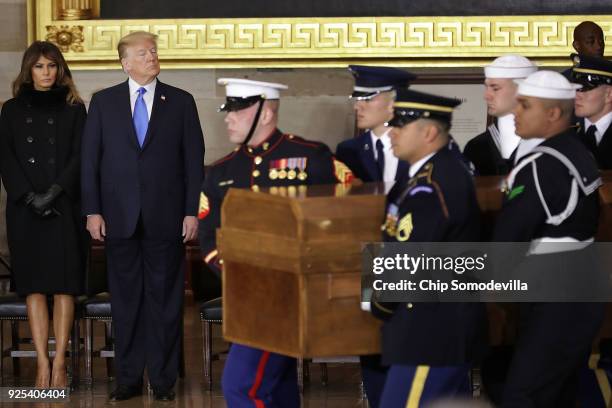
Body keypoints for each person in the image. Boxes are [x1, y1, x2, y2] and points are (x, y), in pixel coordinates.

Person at [198, 78, 353, 407]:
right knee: (277, 388)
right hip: (248, 295)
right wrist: (238, 273)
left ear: (265, 113)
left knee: (242, 386)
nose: (228, 118)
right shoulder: (222, 171)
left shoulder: (311, 157)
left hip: (296, 294)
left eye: (237, 112)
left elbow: (344, 217)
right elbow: (209, 232)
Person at [81, 31, 204, 401]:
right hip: (118, 218)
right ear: (125, 63)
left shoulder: (181, 102)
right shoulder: (103, 102)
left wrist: (190, 212)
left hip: (166, 219)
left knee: (166, 302)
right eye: (142, 53)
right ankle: (129, 379)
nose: (151, 57)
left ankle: (164, 381)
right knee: (126, 302)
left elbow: (192, 163)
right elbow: (90, 161)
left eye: (153, 51)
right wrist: (92, 210)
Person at [492, 71, 605, 407]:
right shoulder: (576, 151)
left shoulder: (542, 164)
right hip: (581, 283)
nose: (516, 112)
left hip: (555, 291)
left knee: (523, 396)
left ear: (553, 113)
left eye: (525, 106)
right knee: (560, 393)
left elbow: (509, 238)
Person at [371, 88, 486, 406]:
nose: (391, 132)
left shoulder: (433, 184)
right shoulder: (432, 173)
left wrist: (380, 302)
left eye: (400, 126)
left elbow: (411, 256)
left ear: (430, 132)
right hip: (433, 324)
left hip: (430, 328)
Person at [0, 41, 88, 388]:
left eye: (52, 66)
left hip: (64, 206)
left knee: (64, 287)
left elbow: (80, 156)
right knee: (34, 288)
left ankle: (61, 363)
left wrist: (54, 192)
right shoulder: (10, 109)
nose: (46, 73)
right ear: (28, 70)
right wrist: (30, 196)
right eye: (39, 67)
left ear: (61, 69)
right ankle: (41, 364)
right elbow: (6, 158)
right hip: (25, 209)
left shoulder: (74, 108)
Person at [335, 65, 414, 183]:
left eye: (367, 99)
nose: (357, 107)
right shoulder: (348, 150)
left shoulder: (418, 146)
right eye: (358, 99)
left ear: (394, 103)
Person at [463, 55, 537, 175]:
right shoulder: (476, 147)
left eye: (495, 88)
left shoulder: (549, 143)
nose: (486, 96)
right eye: (486, 87)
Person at [571, 53, 612, 169]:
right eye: (574, 88)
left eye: (585, 88)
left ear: (609, 94)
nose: (576, 95)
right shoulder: (569, 134)